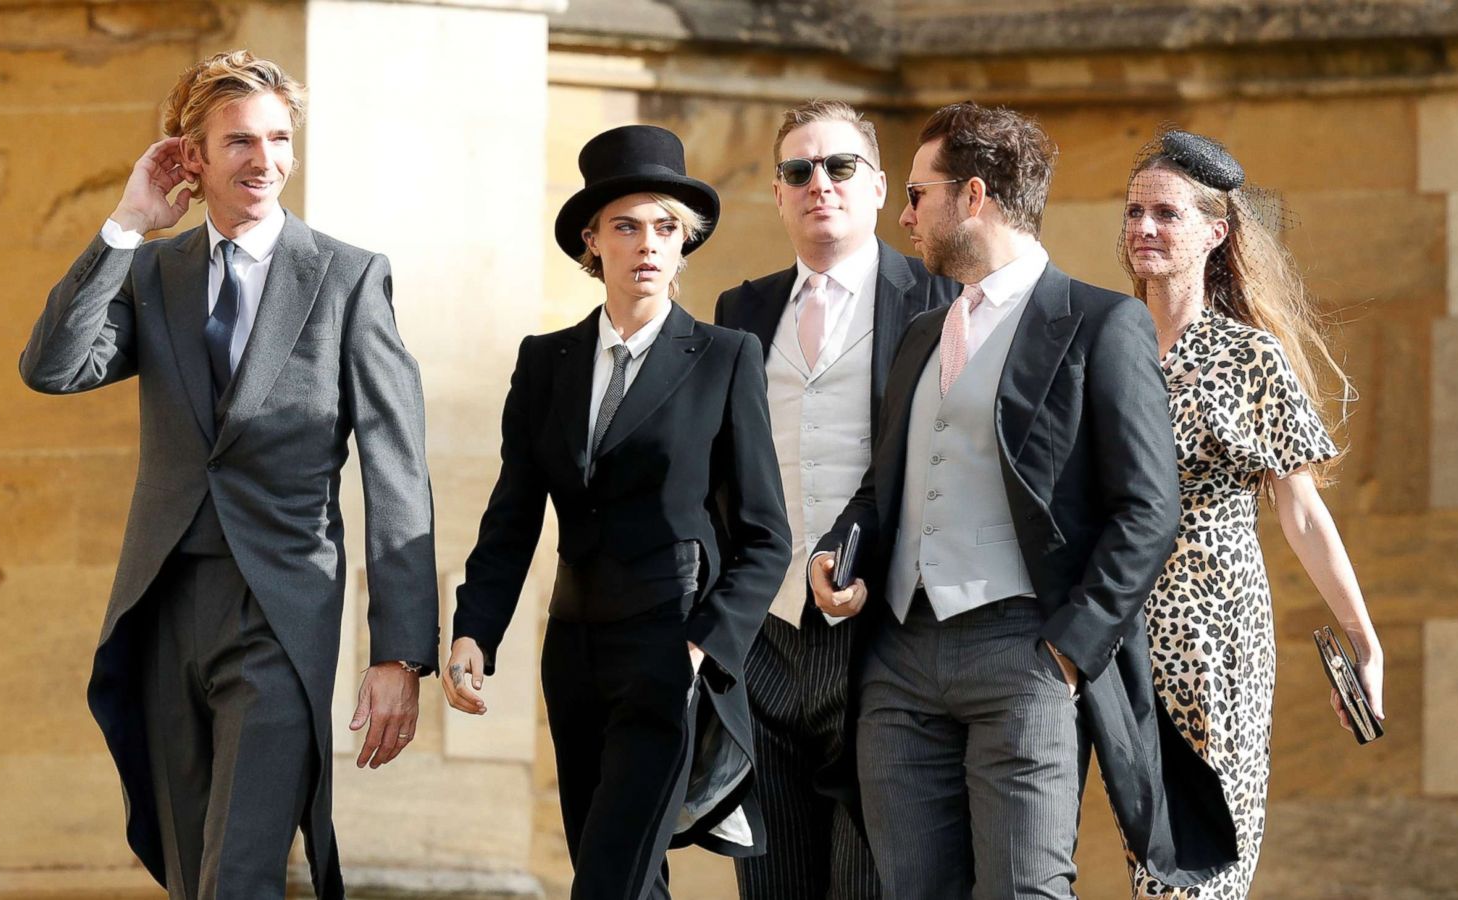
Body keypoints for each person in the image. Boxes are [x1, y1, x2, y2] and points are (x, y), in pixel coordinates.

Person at [18, 51, 438, 899]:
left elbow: (398, 467)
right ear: (193, 157)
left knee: (241, 872)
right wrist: (126, 224)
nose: (265, 159)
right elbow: (52, 368)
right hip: (164, 599)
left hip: (279, 612)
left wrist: (400, 650)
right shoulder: (152, 274)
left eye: (280, 139)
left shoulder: (348, 277)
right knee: (190, 876)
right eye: (240, 141)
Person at [807, 102, 1237, 899]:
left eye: (917, 194)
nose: (903, 216)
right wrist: (842, 547)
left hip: (1024, 652)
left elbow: (1148, 509)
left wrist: (1067, 651)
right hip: (898, 662)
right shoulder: (920, 335)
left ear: (974, 197)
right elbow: (885, 486)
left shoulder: (1100, 324)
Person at [443, 124, 791, 900]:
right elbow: (511, 520)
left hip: (671, 649)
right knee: (629, 881)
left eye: (666, 227)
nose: (648, 244)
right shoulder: (546, 363)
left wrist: (706, 648)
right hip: (572, 655)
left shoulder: (726, 358)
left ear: (684, 242)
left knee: (606, 885)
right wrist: (474, 629)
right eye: (627, 226)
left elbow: (767, 537)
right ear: (592, 242)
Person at [1118, 129, 1386, 899]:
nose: (1143, 229)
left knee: (1198, 873)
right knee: (1147, 866)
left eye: (1166, 214)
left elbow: (1302, 515)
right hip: (1113, 639)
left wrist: (1364, 642)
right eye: (1134, 212)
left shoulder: (1249, 358)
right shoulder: (1106, 342)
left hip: (1215, 638)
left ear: (1215, 231)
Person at [712, 99, 958, 900]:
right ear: (779, 194)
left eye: (840, 166)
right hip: (762, 640)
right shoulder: (740, 312)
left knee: (872, 886)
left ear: (881, 186)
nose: (820, 183)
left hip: (884, 644)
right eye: (798, 170)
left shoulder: (938, 301)